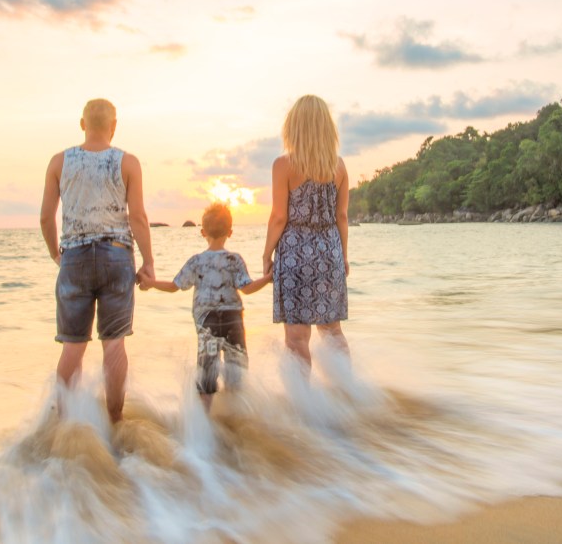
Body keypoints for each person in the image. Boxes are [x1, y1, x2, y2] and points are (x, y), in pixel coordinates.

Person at [39, 98, 155, 423]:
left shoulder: (59, 162)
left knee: (73, 348)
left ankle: (64, 427)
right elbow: (139, 218)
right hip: (116, 255)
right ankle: (115, 421)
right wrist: (148, 262)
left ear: (82, 124)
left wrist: (55, 254)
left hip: (73, 258)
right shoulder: (127, 162)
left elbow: (46, 218)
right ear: (114, 126)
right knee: (114, 344)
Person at [139, 202, 271, 410]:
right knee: (236, 373)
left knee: (207, 374)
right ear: (230, 232)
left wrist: (150, 283)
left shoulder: (196, 261)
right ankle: (235, 419)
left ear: (202, 232)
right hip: (233, 320)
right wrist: (268, 278)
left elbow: (174, 286)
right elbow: (247, 288)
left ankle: (206, 421)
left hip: (207, 322)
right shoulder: (234, 259)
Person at [263, 94, 351, 370]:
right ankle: (346, 393)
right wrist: (343, 257)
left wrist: (267, 254)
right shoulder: (339, 166)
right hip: (330, 252)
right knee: (332, 331)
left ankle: (302, 405)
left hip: (295, 256)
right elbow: (342, 217)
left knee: (297, 338)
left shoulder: (283, 165)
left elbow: (279, 217)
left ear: (294, 126)